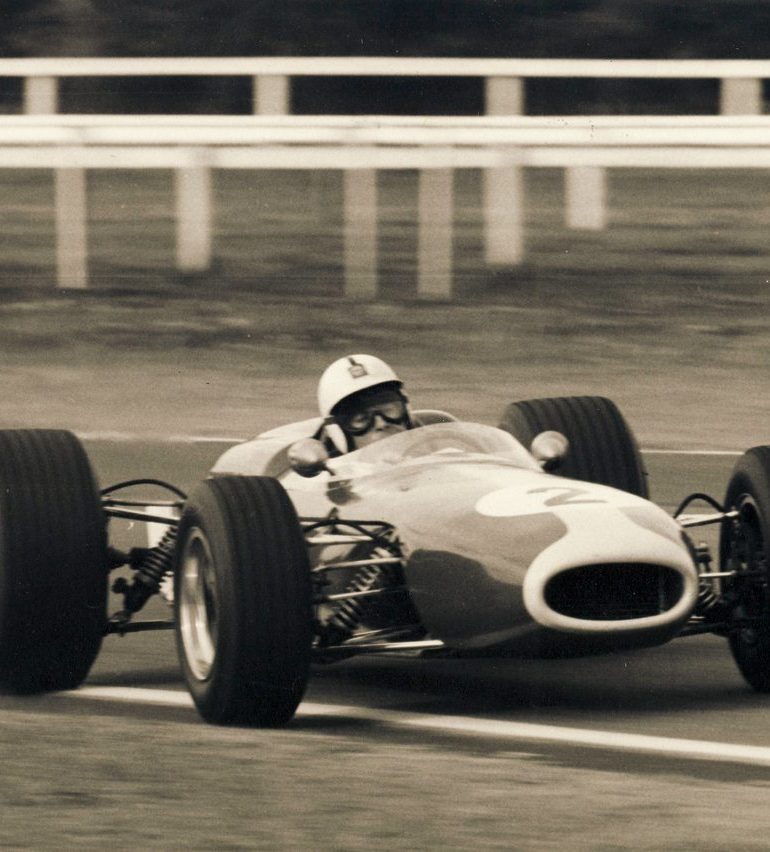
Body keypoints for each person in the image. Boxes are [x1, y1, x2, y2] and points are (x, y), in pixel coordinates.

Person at [317, 354, 413, 452]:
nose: (381, 424)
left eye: (388, 409)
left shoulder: (428, 444)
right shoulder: (328, 465)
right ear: (339, 431)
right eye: (362, 418)